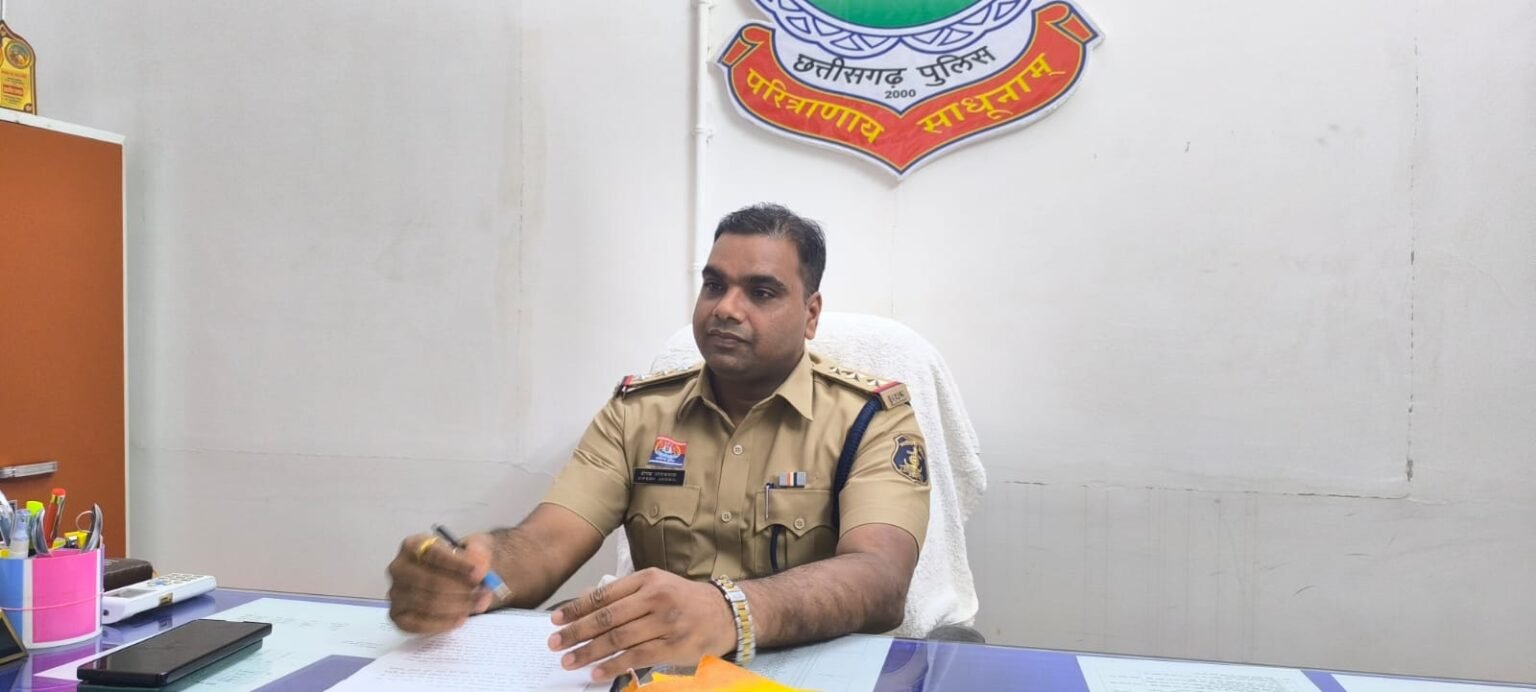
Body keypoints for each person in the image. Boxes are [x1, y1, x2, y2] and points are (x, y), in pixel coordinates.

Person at [386, 203, 930, 682]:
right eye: (714, 285)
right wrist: (477, 572)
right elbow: (547, 542)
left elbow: (879, 577)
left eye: (761, 292)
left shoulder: (871, 419)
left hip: (808, 672)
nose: (726, 308)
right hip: (657, 678)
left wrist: (729, 611)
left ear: (811, 314)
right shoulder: (638, 413)